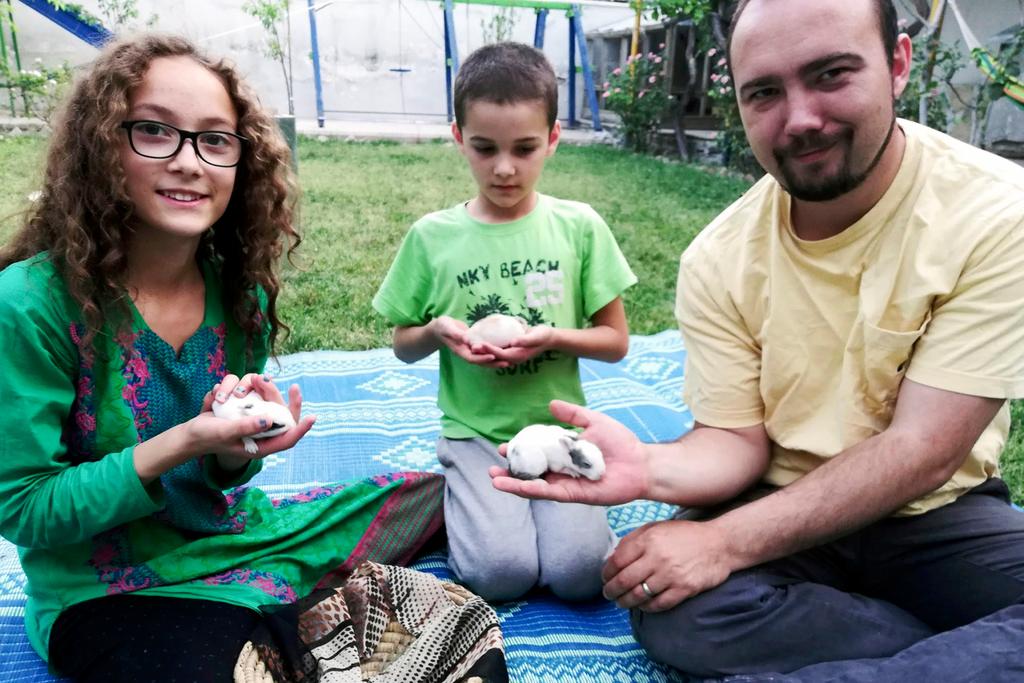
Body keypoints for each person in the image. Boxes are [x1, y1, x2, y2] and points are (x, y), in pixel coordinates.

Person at [491, 0, 1024, 679]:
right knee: (668, 604)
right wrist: (649, 470)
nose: (800, 118)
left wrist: (720, 542)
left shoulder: (997, 212)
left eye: (831, 74)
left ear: (896, 66)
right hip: (776, 496)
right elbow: (737, 440)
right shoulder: (718, 258)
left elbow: (921, 450)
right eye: (765, 92)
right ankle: (963, 649)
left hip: (937, 513)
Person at [0, 35, 443, 682]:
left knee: (447, 513)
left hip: (239, 539)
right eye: (154, 131)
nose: (189, 161)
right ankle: (282, 633)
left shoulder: (239, 296)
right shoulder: (30, 305)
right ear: (101, 147)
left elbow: (218, 482)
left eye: (215, 140)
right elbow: (26, 509)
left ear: (242, 161)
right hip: (109, 587)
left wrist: (235, 450)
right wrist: (187, 439)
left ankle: (278, 628)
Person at [373, 42, 637, 603]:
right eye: (484, 147)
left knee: (581, 576)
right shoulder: (432, 237)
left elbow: (615, 343)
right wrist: (436, 331)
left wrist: (553, 336)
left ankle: (525, 513)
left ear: (555, 137)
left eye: (525, 148)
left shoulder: (579, 228)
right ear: (457, 137)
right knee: (500, 575)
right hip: (475, 434)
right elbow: (402, 346)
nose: (504, 167)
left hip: (556, 431)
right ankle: (459, 493)